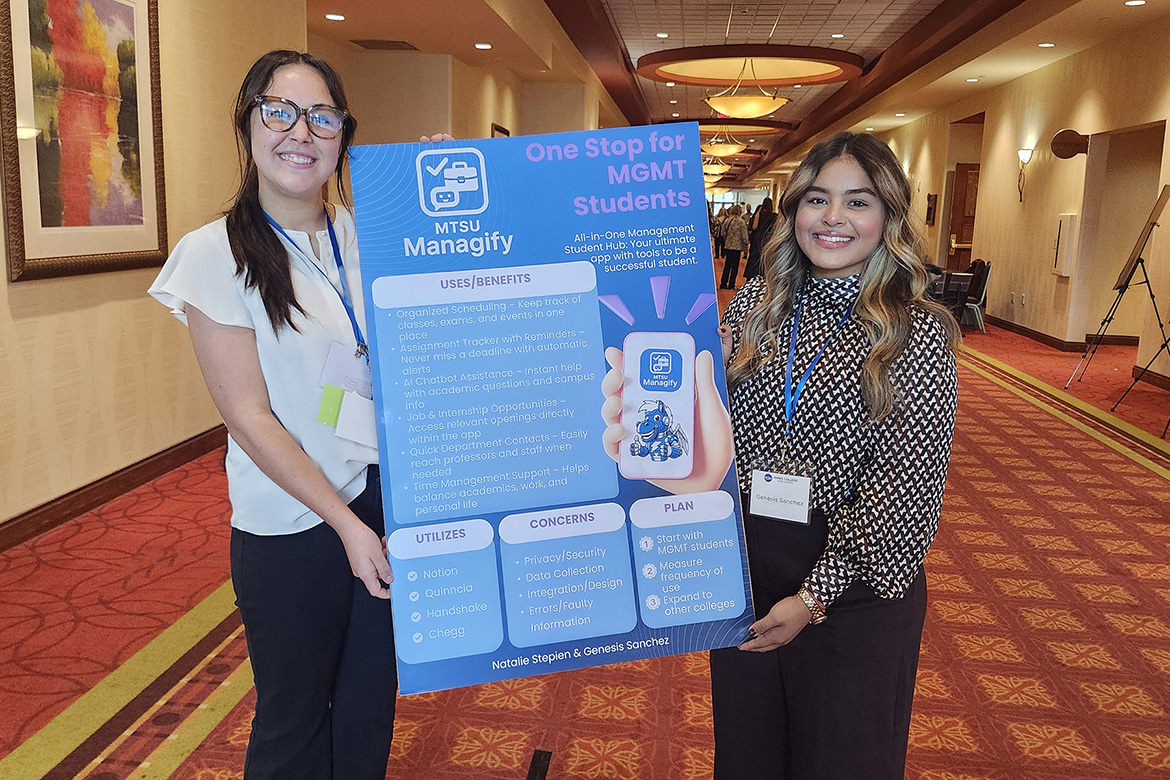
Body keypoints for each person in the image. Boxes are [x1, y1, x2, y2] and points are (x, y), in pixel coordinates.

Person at [149, 49, 451, 780]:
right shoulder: (213, 254)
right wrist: (347, 526)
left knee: (367, 700)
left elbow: (449, 310)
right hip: (292, 521)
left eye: (322, 117)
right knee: (292, 715)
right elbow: (249, 418)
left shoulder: (372, 234)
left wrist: (441, 191)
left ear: (345, 134)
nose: (300, 133)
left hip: (388, 496)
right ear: (248, 123)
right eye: (279, 111)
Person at [710, 132, 960, 780]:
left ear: (889, 217)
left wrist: (813, 598)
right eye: (817, 199)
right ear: (794, 209)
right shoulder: (755, 305)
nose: (833, 218)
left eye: (858, 202)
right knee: (749, 757)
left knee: (841, 760)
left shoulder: (915, 331)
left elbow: (903, 492)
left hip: (852, 588)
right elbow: (702, 430)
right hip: (749, 567)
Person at [744, 196, 776, 280]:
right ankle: (763, 277)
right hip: (768, 239)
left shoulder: (759, 214)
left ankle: (751, 277)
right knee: (765, 259)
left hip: (757, 238)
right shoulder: (774, 216)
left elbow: (754, 227)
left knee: (754, 258)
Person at [719, 204, 749, 289]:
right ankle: (731, 284)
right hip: (737, 247)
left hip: (728, 246)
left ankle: (723, 283)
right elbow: (744, 236)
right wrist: (746, 244)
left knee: (727, 265)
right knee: (735, 267)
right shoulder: (741, 221)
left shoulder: (727, 220)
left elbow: (722, 233)